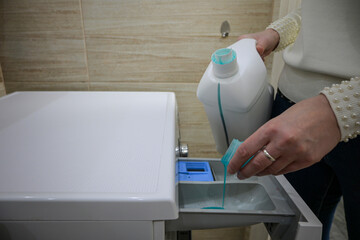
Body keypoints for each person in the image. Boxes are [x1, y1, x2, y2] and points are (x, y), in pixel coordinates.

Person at [226, 0, 360, 239]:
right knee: (293, 231)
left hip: (349, 112)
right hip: (290, 106)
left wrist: (337, 110)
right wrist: (276, 33)